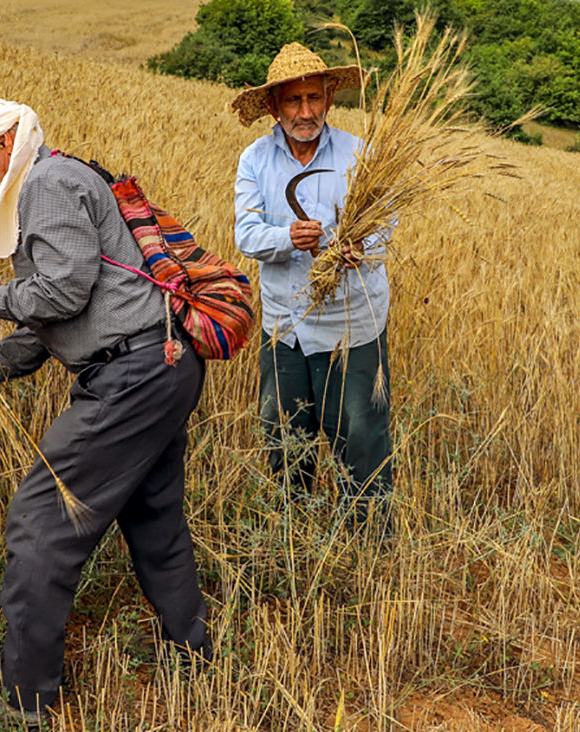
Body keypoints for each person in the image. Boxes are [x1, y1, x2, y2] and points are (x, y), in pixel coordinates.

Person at [0, 98, 211, 727]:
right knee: (153, 515)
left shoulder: (46, 181)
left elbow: (62, 291)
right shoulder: (55, 183)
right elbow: (43, 324)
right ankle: (193, 658)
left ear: (6, 142)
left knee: (40, 520)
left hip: (131, 375)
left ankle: (21, 699)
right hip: (161, 365)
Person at [231, 43, 393, 526]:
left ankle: (369, 545)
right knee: (286, 437)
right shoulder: (255, 160)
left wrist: (358, 245)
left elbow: (385, 221)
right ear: (273, 107)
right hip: (286, 327)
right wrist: (287, 237)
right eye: (293, 101)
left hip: (350, 323)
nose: (306, 112)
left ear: (328, 99)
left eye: (314, 99)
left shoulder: (357, 154)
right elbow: (246, 232)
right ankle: (294, 536)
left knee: (360, 438)